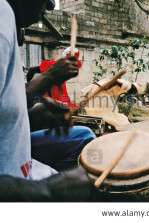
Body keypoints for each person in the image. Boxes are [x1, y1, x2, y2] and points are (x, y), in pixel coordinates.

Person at [0, 0, 99, 201]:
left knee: (85, 136)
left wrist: (31, 115)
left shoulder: (10, 21)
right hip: (13, 183)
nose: (52, 4)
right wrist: (46, 191)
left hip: (23, 159)